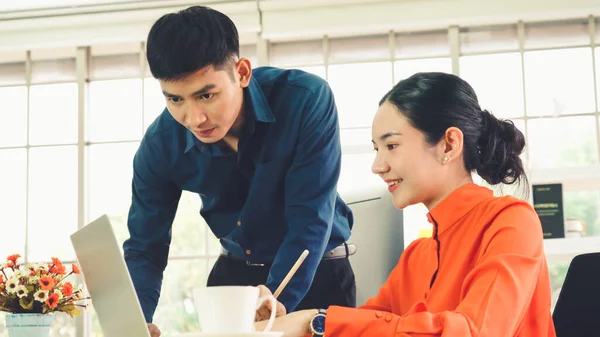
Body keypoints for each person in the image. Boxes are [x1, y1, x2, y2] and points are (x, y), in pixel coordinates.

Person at [255, 72, 557, 337]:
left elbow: (475, 331)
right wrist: (286, 324)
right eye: (377, 149)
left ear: (449, 144)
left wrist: (317, 321)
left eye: (392, 146)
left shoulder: (511, 222)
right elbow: (361, 327)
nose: (378, 165)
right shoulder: (416, 257)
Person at [122, 5, 356, 337]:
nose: (194, 118)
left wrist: (275, 300)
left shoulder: (305, 99)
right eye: (175, 100)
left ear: (242, 72)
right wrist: (135, 323)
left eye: (206, 95)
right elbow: (146, 247)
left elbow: (309, 220)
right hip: (233, 279)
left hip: (315, 270)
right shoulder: (161, 144)